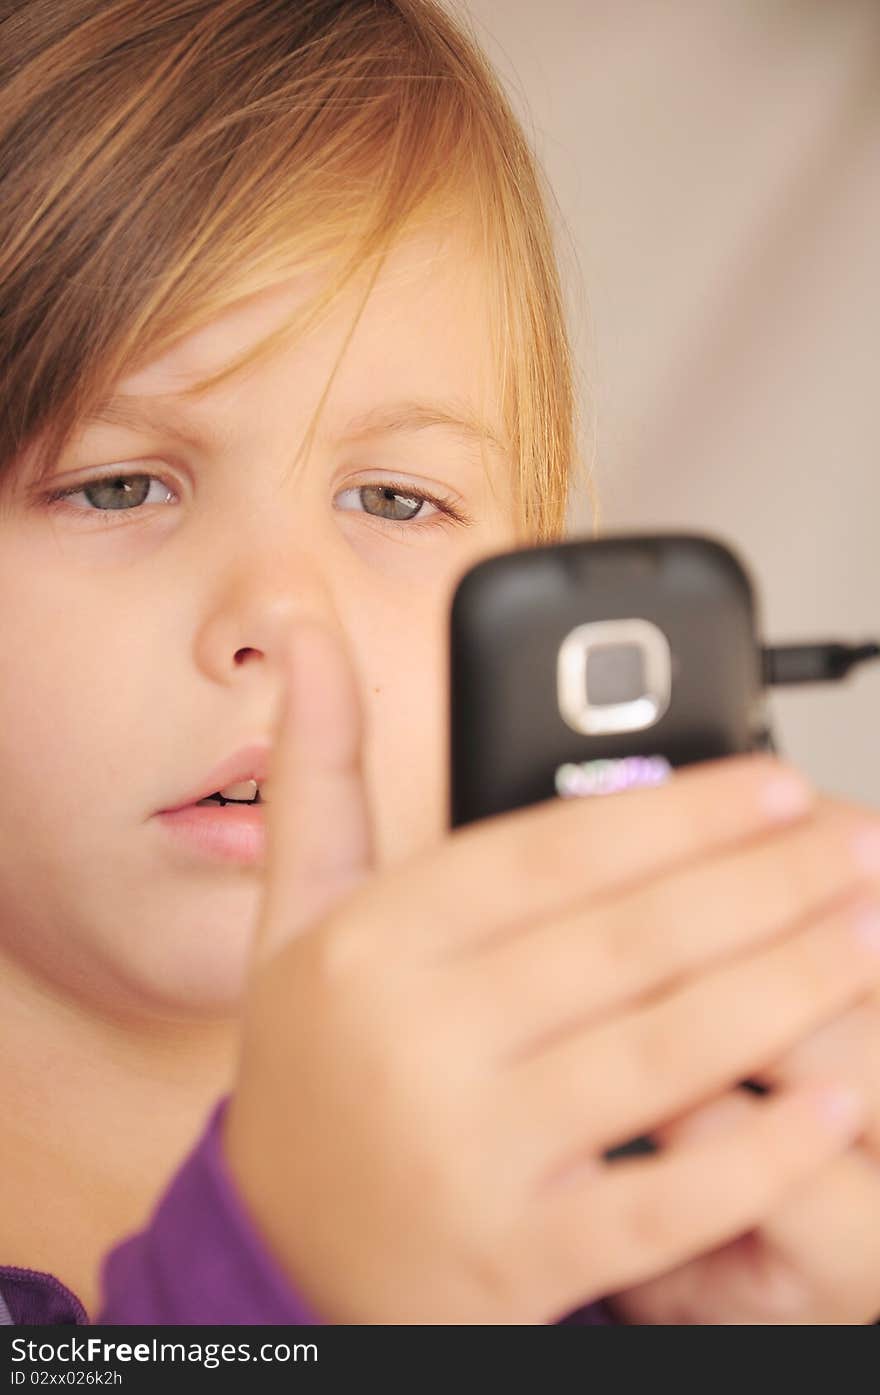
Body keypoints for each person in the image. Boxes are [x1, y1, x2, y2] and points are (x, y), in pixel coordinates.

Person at [1, 0, 879, 1327]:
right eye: (119, 484)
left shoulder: (635, 1217)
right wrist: (290, 1272)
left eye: (398, 501)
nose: (293, 626)